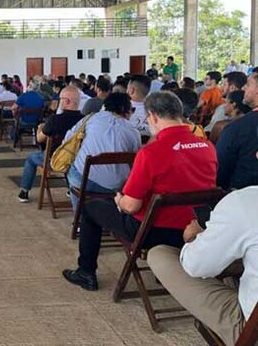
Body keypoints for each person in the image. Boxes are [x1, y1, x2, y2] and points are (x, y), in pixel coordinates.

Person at [63, 91, 217, 291]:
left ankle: (86, 272)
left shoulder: (151, 152)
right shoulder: (207, 146)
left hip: (152, 231)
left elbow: (131, 206)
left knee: (90, 207)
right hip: (195, 229)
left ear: (153, 116)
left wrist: (119, 200)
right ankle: (167, 270)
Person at [147, 185, 258, 346]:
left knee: (159, 255)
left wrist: (193, 238)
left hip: (250, 334)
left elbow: (195, 266)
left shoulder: (245, 202)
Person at [63, 92, 141, 212]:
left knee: (72, 168)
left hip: (82, 181)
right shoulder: (133, 132)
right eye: (132, 110)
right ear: (123, 109)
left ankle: (79, 215)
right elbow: (136, 161)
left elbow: (68, 139)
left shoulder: (91, 118)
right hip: (116, 186)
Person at [17, 87, 84, 202]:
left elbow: (39, 139)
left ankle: (24, 191)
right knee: (69, 154)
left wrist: (40, 128)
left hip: (54, 160)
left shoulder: (55, 120)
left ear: (66, 101)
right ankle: (71, 188)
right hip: (77, 161)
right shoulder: (84, 121)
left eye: (60, 99)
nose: (59, 102)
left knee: (30, 158)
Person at [216, 71, 258, 190]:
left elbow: (220, 172)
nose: (244, 88)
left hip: (243, 195)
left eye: (248, 84)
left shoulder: (237, 128)